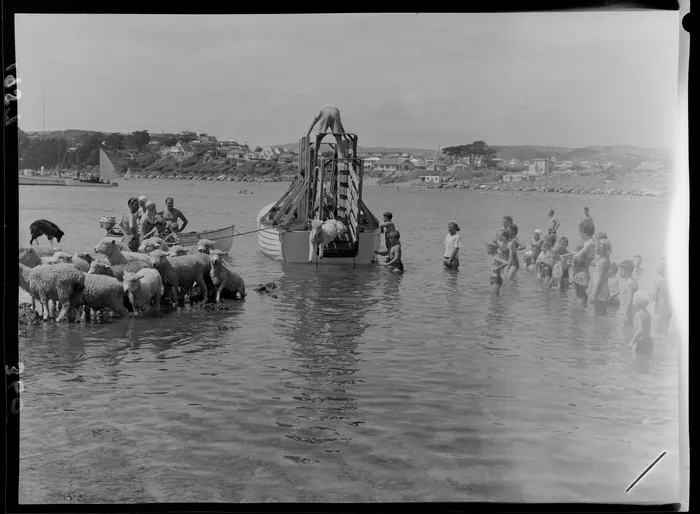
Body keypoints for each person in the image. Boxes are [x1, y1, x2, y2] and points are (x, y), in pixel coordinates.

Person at [569, 217, 596, 304]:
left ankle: (581, 313)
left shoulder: (590, 243)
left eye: (579, 230)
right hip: (579, 272)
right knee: (578, 294)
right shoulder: (586, 242)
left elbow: (578, 255)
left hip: (583, 272)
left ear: (583, 230)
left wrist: (573, 255)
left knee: (581, 295)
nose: (578, 232)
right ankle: (579, 313)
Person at [628, 290, 654, 365]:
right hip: (649, 341)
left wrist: (631, 341)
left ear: (636, 303)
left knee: (635, 363)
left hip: (641, 342)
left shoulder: (638, 314)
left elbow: (640, 329)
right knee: (645, 362)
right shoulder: (647, 314)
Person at [589, 232, 612, 315]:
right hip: (602, 290)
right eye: (596, 245)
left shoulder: (603, 261)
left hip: (600, 292)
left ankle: (602, 327)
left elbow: (599, 279)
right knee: (600, 314)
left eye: (599, 246)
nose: (596, 248)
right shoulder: (603, 259)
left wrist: (593, 294)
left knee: (599, 315)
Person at [651, 258, 672, 337]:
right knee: (664, 335)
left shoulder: (657, 281)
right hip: (669, 310)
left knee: (657, 335)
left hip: (659, 311)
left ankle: (659, 349)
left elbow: (653, 298)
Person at [618, 260, 638, 324]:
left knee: (626, 328)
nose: (619, 271)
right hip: (631, 309)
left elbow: (629, 300)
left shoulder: (629, 283)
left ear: (626, 271)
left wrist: (625, 315)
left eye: (621, 269)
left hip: (630, 310)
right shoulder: (631, 280)